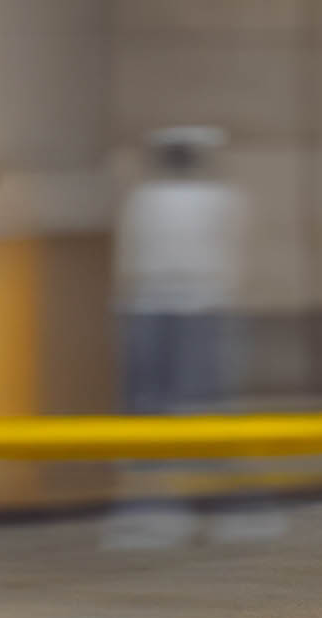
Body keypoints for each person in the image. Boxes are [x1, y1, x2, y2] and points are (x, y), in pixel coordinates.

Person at [102, 125, 253, 548]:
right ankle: (157, 512)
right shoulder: (150, 199)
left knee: (201, 410)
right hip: (153, 307)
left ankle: (230, 508)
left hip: (197, 309)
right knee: (152, 412)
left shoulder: (209, 199)